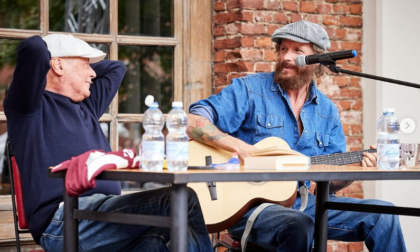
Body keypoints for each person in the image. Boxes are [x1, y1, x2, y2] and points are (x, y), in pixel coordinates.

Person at [188, 20, 406, 251]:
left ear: (318, 60)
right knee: (299, 224)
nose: (286, 57)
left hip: (304, 203)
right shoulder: (249, 90)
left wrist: (359, 167)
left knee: (384, 216)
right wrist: (241, 148)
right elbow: (191, 121)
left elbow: (329, 181)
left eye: (297, 51)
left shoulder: (327, 110)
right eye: (283, 49)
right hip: (251, 208)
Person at [4, 34, 212, 251]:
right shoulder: (28, 107)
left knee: (158, 242)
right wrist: (60, 56)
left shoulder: (87, 106)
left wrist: (76, 64)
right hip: (64, 222)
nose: (93, 73)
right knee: (181, 201)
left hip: (103, 217)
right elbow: (34, 47)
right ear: (57, 64)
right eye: (86, 64)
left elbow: (116, 68)